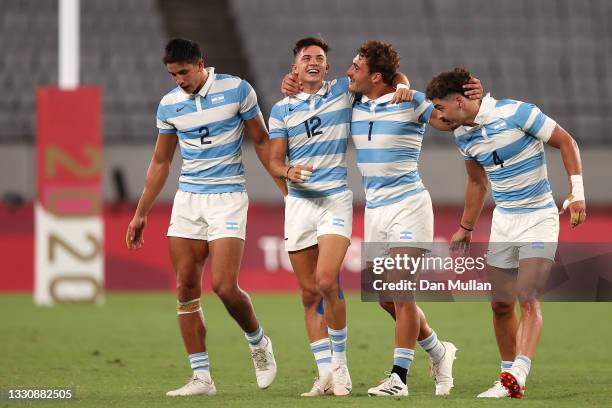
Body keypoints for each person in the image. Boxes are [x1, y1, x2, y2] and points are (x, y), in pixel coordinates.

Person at [125, 38, 285, 397]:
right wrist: (140, 213)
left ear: (201, 64)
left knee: (225, 286)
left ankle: (258, 343)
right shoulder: (169, 105)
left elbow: (261, 142)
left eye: (183, 72)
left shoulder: (237, 89)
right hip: (188, 201)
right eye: (172, 75)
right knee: (185, 289)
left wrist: (286, 191)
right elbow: (162, 161)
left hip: (227, 198)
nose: (179, 80)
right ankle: (201, 379)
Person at [426, 67, 586, 399]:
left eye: (440, 107)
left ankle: (520, 373)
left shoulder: (516, 112)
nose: (437, 116)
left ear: (459, 101)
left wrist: (577, 192)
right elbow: (476, 181)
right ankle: (507, 376)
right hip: (504, 222)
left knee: (528, 297)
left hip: (539, 217)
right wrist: (466, 226)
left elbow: (566, 142)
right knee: (500, 305)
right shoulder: (462, 135)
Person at [269, 36, 413, 397]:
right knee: (307, 294)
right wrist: (288, 172)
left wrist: (406, 86)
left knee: (326, 280)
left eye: (319, 57)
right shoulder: (281, 109)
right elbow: (273, 160)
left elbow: (389, 77)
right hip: (299, 205)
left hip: (334, 199)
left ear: (327, 67)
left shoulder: (343, 92)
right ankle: (324, 374)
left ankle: (341, 366)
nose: (313, 62)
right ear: (295, 67)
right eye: (306, 58)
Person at [345, 41, 484, 397]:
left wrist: (469, 104)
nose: (349, 72)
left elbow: (447, 121)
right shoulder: (355, 101)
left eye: (356, 68)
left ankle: (398, 378)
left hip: (408, 205)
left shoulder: (410, 102)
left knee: (402, 291)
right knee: (384, 298)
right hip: (375, 210)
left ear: (376, 76)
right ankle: (439, 351)